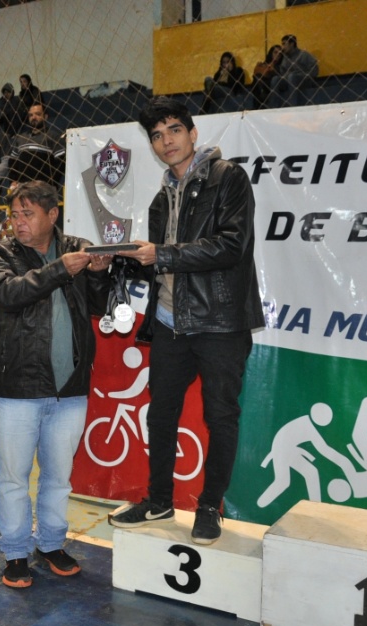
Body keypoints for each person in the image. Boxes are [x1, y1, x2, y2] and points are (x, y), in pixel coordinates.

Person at [109, 96, 264, 545]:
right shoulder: (161, 200)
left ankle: (210, 506)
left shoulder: (229, 178)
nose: (166, 141)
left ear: (193, 134)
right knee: (161, 415)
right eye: (157, 135)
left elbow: (232, 246)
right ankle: (159, 500)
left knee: (221, 417)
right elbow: (164, 263)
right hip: (169, 320)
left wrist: (164, 254)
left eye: (174, 130)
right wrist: (121, 261)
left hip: (219, 322)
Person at [0, 180, 111, 588]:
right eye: (14, 215)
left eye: (27, 214)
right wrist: (60, 269)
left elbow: (100, 305)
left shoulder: (78, 246)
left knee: (59, 476)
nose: (18, 222)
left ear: (51, 215)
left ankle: (52, 543)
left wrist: (102, 274)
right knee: (14, 477)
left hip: (70, 385)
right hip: (18, 386)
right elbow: (8, 294)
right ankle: (15, 551)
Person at [271, 34, 319, 107]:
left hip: (304, 81)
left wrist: (306, 76)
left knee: (292, 76)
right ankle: (274, 106)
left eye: (284, 44)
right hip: (289, 81)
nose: (283, 47)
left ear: (292, 44)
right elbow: (282, 72)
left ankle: (293, 105)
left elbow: (315, 69)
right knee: (275, 79)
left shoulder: (303, 55)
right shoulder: (285, 58)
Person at [250, 45, 282, 110]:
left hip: (271, 84)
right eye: (275, 52)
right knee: (257, 77)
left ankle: (259, 100)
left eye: (280, 54)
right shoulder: (264, 64)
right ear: (271, 53)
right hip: (260, 82)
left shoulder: (280, 66)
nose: (277, 55)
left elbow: (280, 77)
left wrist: (273, 70)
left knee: (258, 80)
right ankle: (261, 93)